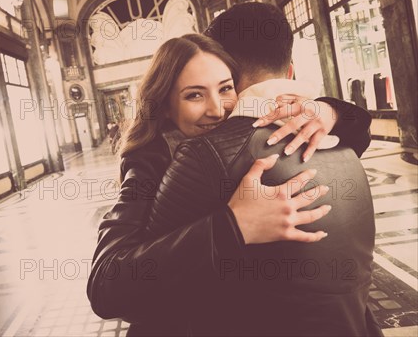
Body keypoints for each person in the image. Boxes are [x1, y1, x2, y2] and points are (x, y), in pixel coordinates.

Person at [87, 33, 372, 334]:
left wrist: (332, 111)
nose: (217, 109)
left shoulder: (238, 144)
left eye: (225, 88)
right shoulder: (147, 164)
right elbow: (106, 286)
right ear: (165, 106)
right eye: (194, 95)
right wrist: (232, 227)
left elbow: (356, 140)